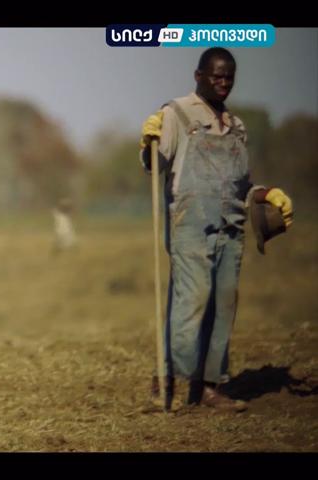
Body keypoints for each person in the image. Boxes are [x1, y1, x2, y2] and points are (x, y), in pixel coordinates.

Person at [139, 47, 293, 412]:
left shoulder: (236, 126)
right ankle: (168, 383)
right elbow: (155, 165)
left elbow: (240, 185)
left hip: (231, 225)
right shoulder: (176, 113)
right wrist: (148, 143)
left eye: (229, 77)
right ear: (198, 76)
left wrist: (266, 195)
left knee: (224, 303)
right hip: (190, 223)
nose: (223, 82)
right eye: (216, 76)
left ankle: (210, 387)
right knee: (192, 299)